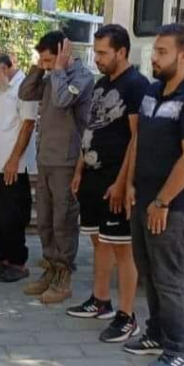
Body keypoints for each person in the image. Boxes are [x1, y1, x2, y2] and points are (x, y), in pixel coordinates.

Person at [123, 23, 184, 366]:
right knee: (148, 270)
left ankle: (178, 350)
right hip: (145, 198)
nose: (154, 58)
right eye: (155, 51)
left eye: (162, 52)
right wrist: (130, 184)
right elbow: (139, 140)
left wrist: (163, 201)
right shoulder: (153, 92)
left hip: (178, 205)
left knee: (168, 275)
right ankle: (156, 333)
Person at [66, 24, 148, 343]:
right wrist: (79, 171)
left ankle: (127, 316)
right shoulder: (101, 84)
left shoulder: (136, 86)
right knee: (100, 241)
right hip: (92, 176)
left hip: (116, 180)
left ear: (121, 52)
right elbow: (90, 130)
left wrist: (123, 182)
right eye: (96, 52)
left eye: (103, 53)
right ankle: (100, 300)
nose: (97, 58)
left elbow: (137, 138)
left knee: (122, 249)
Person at [19, 31, 94, 304]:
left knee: (63, 221)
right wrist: (39, 68)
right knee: (45, 220)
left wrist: (59, 70)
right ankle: (50, 268)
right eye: (44, 61)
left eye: (49, 59)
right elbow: (25, 92)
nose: (47, 65)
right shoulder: (51, 76)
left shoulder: (82, 77)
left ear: (64, 53)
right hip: (46, 159)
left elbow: (63, 100)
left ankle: (64, 276)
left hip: (66, 161)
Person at [0, 51, 38, 283]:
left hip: (13, 167)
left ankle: (18, 263)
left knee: (12, 216)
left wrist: (14, 159)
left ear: (5, 68)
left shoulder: (25, 88)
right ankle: (3, 258)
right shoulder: (0, 88)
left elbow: (28, 125)